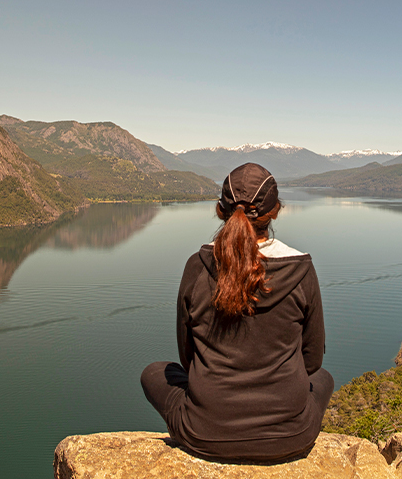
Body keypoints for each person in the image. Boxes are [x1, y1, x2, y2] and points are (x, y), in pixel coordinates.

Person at [141, 162, 334, 463]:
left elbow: (187, 357)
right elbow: (312, 361)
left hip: (204, 432)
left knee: (154, 373)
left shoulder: (198, 266)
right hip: (291, 435)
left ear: (221, 210)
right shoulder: (301, 270)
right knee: (324, 378)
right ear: (275, 211)